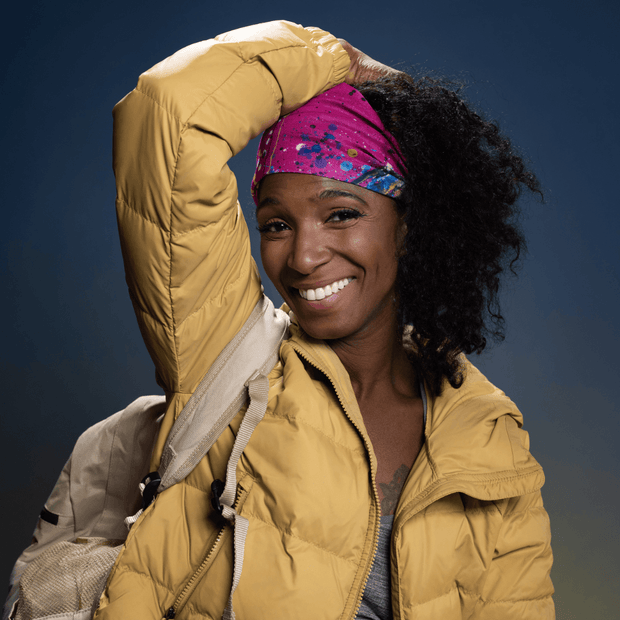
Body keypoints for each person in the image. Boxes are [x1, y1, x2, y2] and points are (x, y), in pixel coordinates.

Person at [86, 19, 553, 620]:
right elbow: (169, 113)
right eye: (278, 225)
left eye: (341, 214)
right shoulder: (226, 355)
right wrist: (336, 60)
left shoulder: (489, 438)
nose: (303, 256)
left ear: (409, 227)